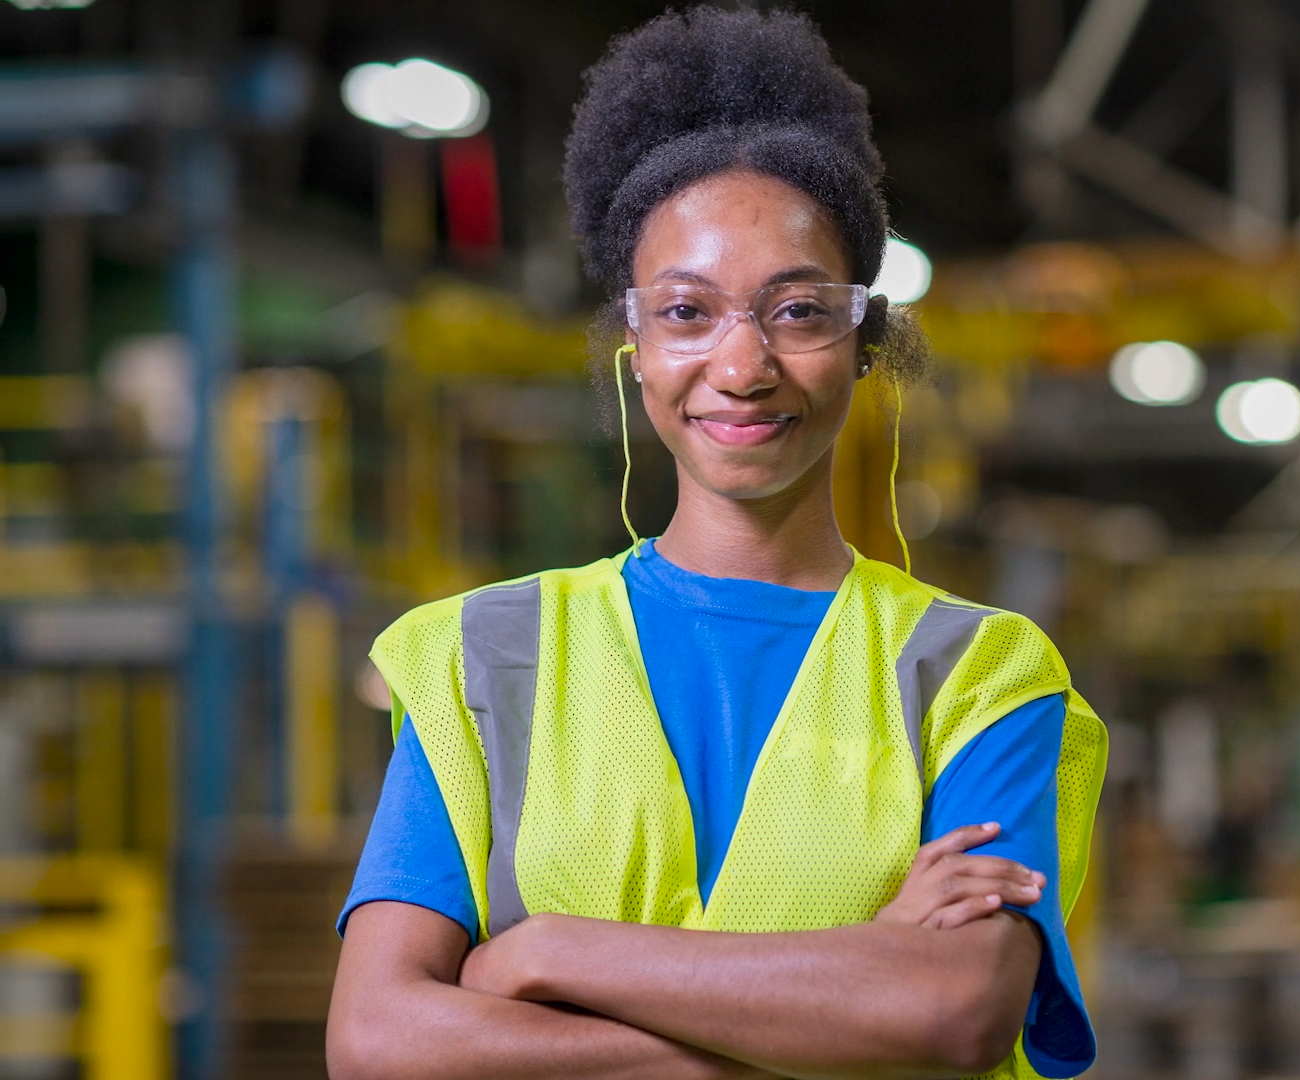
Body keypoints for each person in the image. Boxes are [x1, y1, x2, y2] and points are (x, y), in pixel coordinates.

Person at [326, 9, 1107, 1080]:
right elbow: (378, 1041)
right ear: (635, 345)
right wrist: (843, 994)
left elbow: (951, 1014)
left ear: (862, 344)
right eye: (688, 312)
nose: (741, 366)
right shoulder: (485, 660)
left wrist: (547, 955)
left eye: (796, 311)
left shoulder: (975, 677)